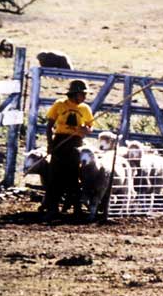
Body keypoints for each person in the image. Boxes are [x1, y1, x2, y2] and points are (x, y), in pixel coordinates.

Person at [43, 79, 94, 220]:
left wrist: (86, 129)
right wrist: (50, 144)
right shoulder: (60, 105)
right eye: (83, 94)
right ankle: (52, 208)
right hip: (60, 142)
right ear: (75, 94)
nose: (85, 97)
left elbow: (90, 127)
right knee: (55, 176)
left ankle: (76, 209)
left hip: (76, 144)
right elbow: (49, 126)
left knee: (74, 176)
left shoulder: (85, 109)